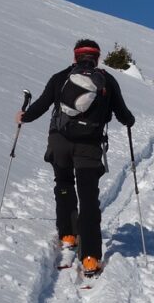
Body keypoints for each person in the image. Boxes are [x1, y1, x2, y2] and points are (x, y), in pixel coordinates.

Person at [17, 39, 135, 276]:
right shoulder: (107, 81)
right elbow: (123, 114)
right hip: (89, 147)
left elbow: (40, 106)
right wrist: (129, 121)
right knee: (89, 198)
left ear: (75, 57)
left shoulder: (60, 77)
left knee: (63, 185)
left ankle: (68, 235)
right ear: (97, 58)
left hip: (59, 142)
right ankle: (90, 258)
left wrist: (24, 116)